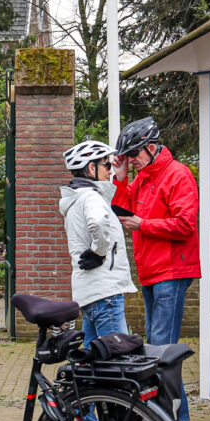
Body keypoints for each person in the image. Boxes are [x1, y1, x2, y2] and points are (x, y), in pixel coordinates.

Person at [112, 117, 199, 421]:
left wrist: (144, 224)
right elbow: (122, 210)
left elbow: (186, 224)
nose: (131, 160)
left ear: (151, 148)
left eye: (134, 154)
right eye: (127, 156)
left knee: (162, 350)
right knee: (156, 350)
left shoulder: (178, 175)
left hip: (171, 271)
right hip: (151, 271)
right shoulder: (143, 178)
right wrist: (121, 178)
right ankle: (168, 420)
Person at [59, 138, 134, 347]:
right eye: (106, 165)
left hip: (89, 292)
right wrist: (99, 251)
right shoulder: (91, 197)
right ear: (92, 168)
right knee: (117, 355)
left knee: (92, 356)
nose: (109, 170)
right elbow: (98, 221)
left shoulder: (75, 199)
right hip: (105, 291)